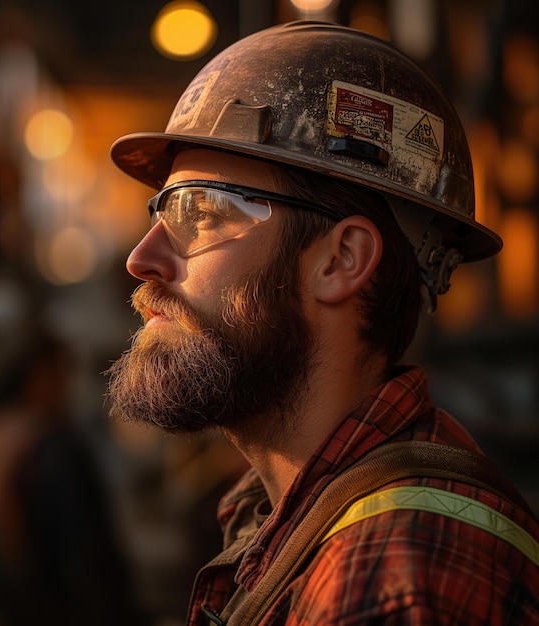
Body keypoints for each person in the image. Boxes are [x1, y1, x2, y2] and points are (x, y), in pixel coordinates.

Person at [107, 21, 539, 625]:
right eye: (161, 209)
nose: (142, 258)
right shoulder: (285, 513)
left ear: (340, 262)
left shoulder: (389, 575)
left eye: (199, 210)